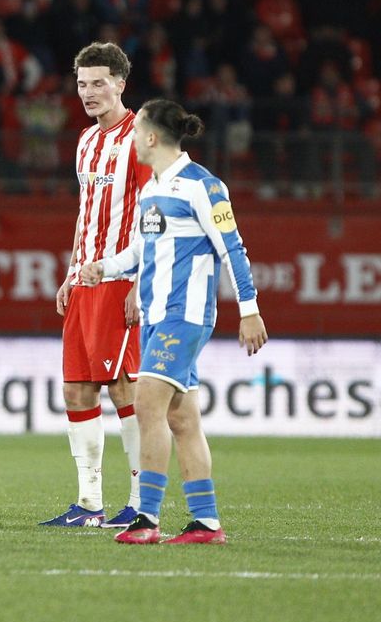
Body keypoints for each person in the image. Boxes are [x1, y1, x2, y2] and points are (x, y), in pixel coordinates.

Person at [80, 100, 269, 545]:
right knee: (183, 421)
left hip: (184, 316)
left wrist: (249, 310)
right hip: (157, 317)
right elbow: (141, 254)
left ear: (150, 136)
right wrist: (103, 268)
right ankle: (206, 522)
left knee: (147, 407)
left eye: (134, 132)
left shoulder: (204, 186)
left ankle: (146, 518)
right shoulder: (151, 190)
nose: (129, 140)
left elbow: (233, 249)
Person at [41, 43, 149, 530]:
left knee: (124, 387)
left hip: (121, 278)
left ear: (121, 83)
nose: (89, 92)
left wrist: (140, 282)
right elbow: (86, 216)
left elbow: (157, 213)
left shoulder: (142, 138)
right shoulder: (85, 141)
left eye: (99, 82)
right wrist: (70, 272)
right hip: (84, 282)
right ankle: (89, 504)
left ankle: (140, 502)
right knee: (76, 389)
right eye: (82, 84)